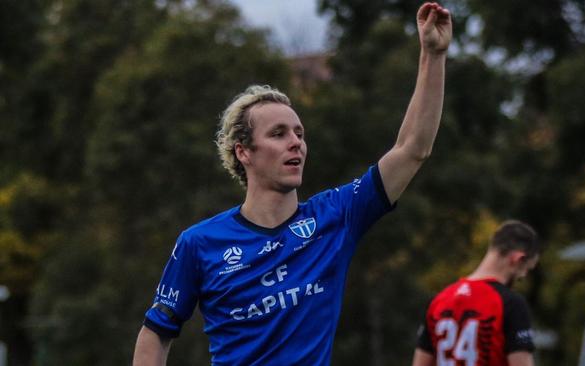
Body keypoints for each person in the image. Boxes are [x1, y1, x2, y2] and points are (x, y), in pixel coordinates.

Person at [132, 2, 452, 365]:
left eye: (299, 133)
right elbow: (156, 333)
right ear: (244, 152)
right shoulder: (199, 244)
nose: (296, 141)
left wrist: (433, 54)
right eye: (279, 133)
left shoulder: (336, 216)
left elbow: (412, 149)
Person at [412, 220, 541, 366]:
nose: (522, 277)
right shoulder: (510, 304)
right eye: (526, 270)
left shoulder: (439, 301)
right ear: (518, 259)